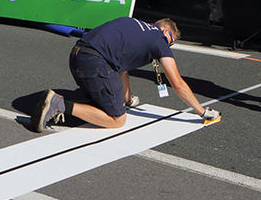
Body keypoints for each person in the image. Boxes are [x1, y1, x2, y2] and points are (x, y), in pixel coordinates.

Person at [30, 17, 218, 132]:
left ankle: (82, 101)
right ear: (165, 30)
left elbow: (122, 69)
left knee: (107, 100)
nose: (169, 46)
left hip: (77, 55)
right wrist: (202, 112)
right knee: (117, 120)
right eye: (171, 41)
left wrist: (127, 99)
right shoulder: (159, 40)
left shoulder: (133, 24)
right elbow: (177, 83)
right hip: (95, 63)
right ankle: (60, 104)